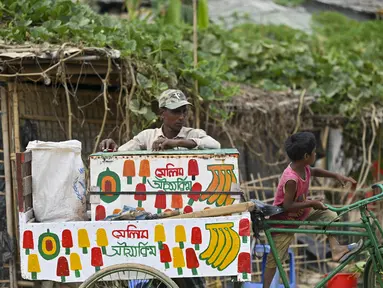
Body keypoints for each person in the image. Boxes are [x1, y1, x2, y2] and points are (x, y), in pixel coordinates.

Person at [263, 132, 363, 288]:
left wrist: (336, 175)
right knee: (274, 259)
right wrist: (311, 203)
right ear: (305, 156)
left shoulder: (303, 166)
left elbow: (315, 171)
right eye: (314, 152)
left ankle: (336, 248)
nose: (316, 154)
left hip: (302, 212)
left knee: (329, 214)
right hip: (284, 221)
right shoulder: (291, 178)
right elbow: (287, 206)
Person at [99, 89, 220, 152]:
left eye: (184, 111)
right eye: (176, 111)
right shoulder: (147, 136)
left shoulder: (193, 134)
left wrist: (177, 143)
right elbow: (122, 152)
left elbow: (215, 145)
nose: (182, 117)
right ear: (162, 113)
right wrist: (112, 148)